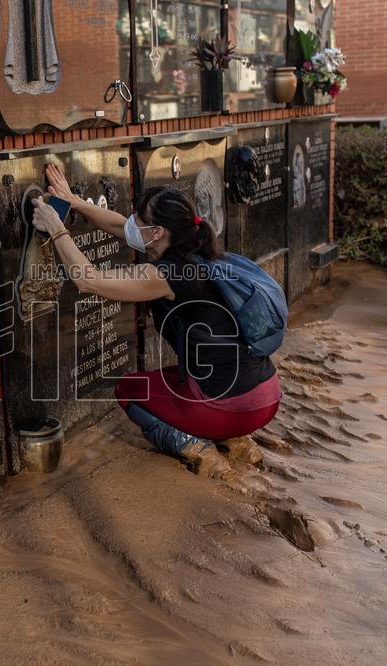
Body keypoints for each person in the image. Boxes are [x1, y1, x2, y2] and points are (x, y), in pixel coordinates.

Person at [31, 164, 282, 478]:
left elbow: (89, 281)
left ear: (158, 232)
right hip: (266, 393)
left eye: (139, 217)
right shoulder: (196, 252)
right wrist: (75, 202)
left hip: (234, 405)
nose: (131, 220)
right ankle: (237, 444)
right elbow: (121, 227)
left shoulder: (167, 275)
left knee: (129, 389)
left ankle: (202, 452)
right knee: (181, 377)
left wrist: (56, 228)